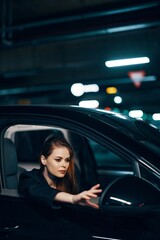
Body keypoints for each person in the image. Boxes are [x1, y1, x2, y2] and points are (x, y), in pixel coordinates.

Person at [18, 135, 102, 209]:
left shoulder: (69, 179)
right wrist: (72, 199)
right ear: (43, 160)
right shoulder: (29, 177)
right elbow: (37, 191)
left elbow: (80, 196)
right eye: (58, 160)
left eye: (67, 160)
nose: (64, 165)